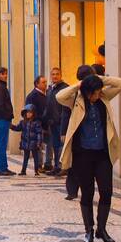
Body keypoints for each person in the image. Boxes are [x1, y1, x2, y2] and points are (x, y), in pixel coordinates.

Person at [57, 71, 121, 242]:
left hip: (103, 153)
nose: (97, 95)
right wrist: (80, 85)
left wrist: (99, 80)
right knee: (87, 193)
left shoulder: (103, 97)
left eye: (98, 91)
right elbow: (59, 96)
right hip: (83, 155)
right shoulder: (76, 101)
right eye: (94, 92)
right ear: (87, 92)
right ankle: (88, 229)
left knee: (106, 191)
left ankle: (101, 229)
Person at [47, 66, 75, 197]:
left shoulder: (65, 88)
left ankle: (61, 166)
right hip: (52, 122)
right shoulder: (51, 89)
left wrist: (64, 127)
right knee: (55, 145)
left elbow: (65, 110)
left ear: (61, 75)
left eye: (57, 74)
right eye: (53, 74)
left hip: (61, 123)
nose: (55, 76)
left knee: (61, 146)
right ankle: (56, 166)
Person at [18, 104, 43, 175]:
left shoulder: (36, 123)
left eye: (30, 112)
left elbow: (39, 133)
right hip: (26, 143)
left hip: (34, 143)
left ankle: (36, 170)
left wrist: (39, 142)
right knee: (25, 158)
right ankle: (23, 171)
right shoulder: (23, 122)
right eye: (27, 112)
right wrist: (11, 126)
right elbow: (18, 128)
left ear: (33, 114)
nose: (28, 114)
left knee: (36, 157)